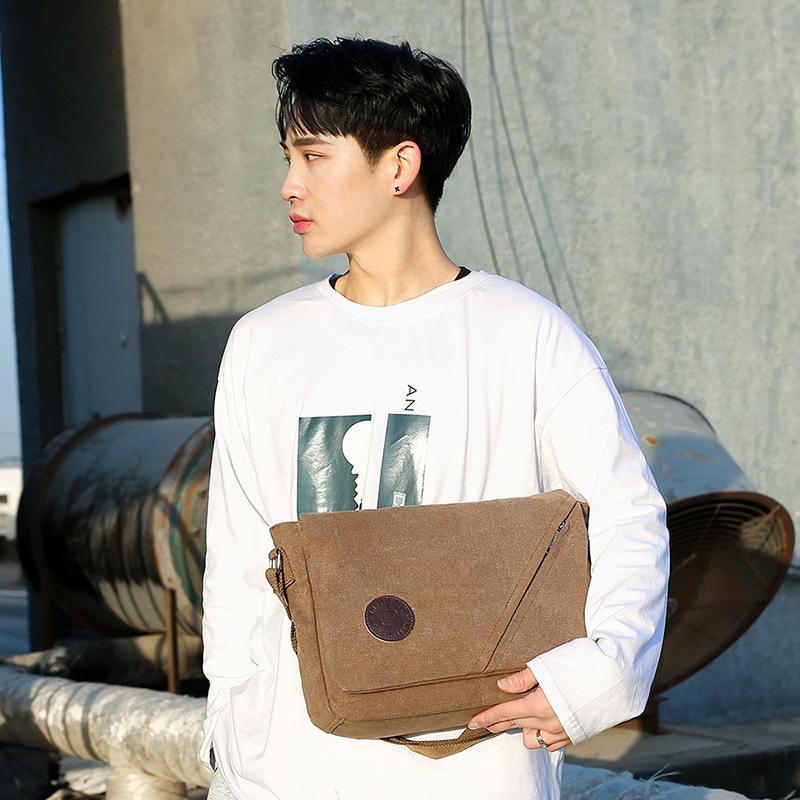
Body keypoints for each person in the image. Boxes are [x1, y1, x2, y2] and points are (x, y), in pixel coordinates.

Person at [200, 35, 670, 800]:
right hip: (284, 768)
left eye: (313, 157)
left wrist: (597, 676)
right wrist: (230, 730)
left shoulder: (526, 332)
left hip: (476, 764)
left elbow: (627, 515)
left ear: (400, 165)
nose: (289, 185)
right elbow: (235, 556)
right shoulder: (264, 341)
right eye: (288, 158)